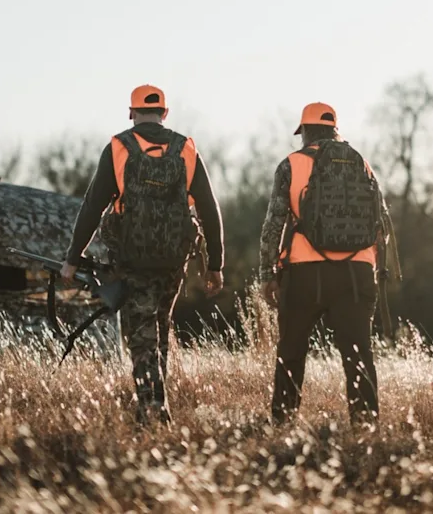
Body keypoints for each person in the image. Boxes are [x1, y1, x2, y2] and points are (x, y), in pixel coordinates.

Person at [62, 84, 225, 425]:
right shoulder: (186, 149)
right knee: (159, 329)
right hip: (172, 261)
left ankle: (153, 409)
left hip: (132, 260)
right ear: (164, 113)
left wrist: (72, 257)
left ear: (131, 112)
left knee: (141, 335)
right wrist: (215, 265)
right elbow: (210, 210)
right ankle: (152, 406)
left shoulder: (119, 147)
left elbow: (93, 206)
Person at [258, 101, 397, 427]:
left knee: (291, 351)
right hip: (356, 274)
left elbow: (273, 225)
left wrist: (267, 275)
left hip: (306, 273)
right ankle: (365, 426)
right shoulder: (363, 163)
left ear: (305, 131)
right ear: (335, 130)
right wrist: (374, 271)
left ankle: (283, 423)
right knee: (358, 353)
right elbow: (382, 225)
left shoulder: (292, 164)